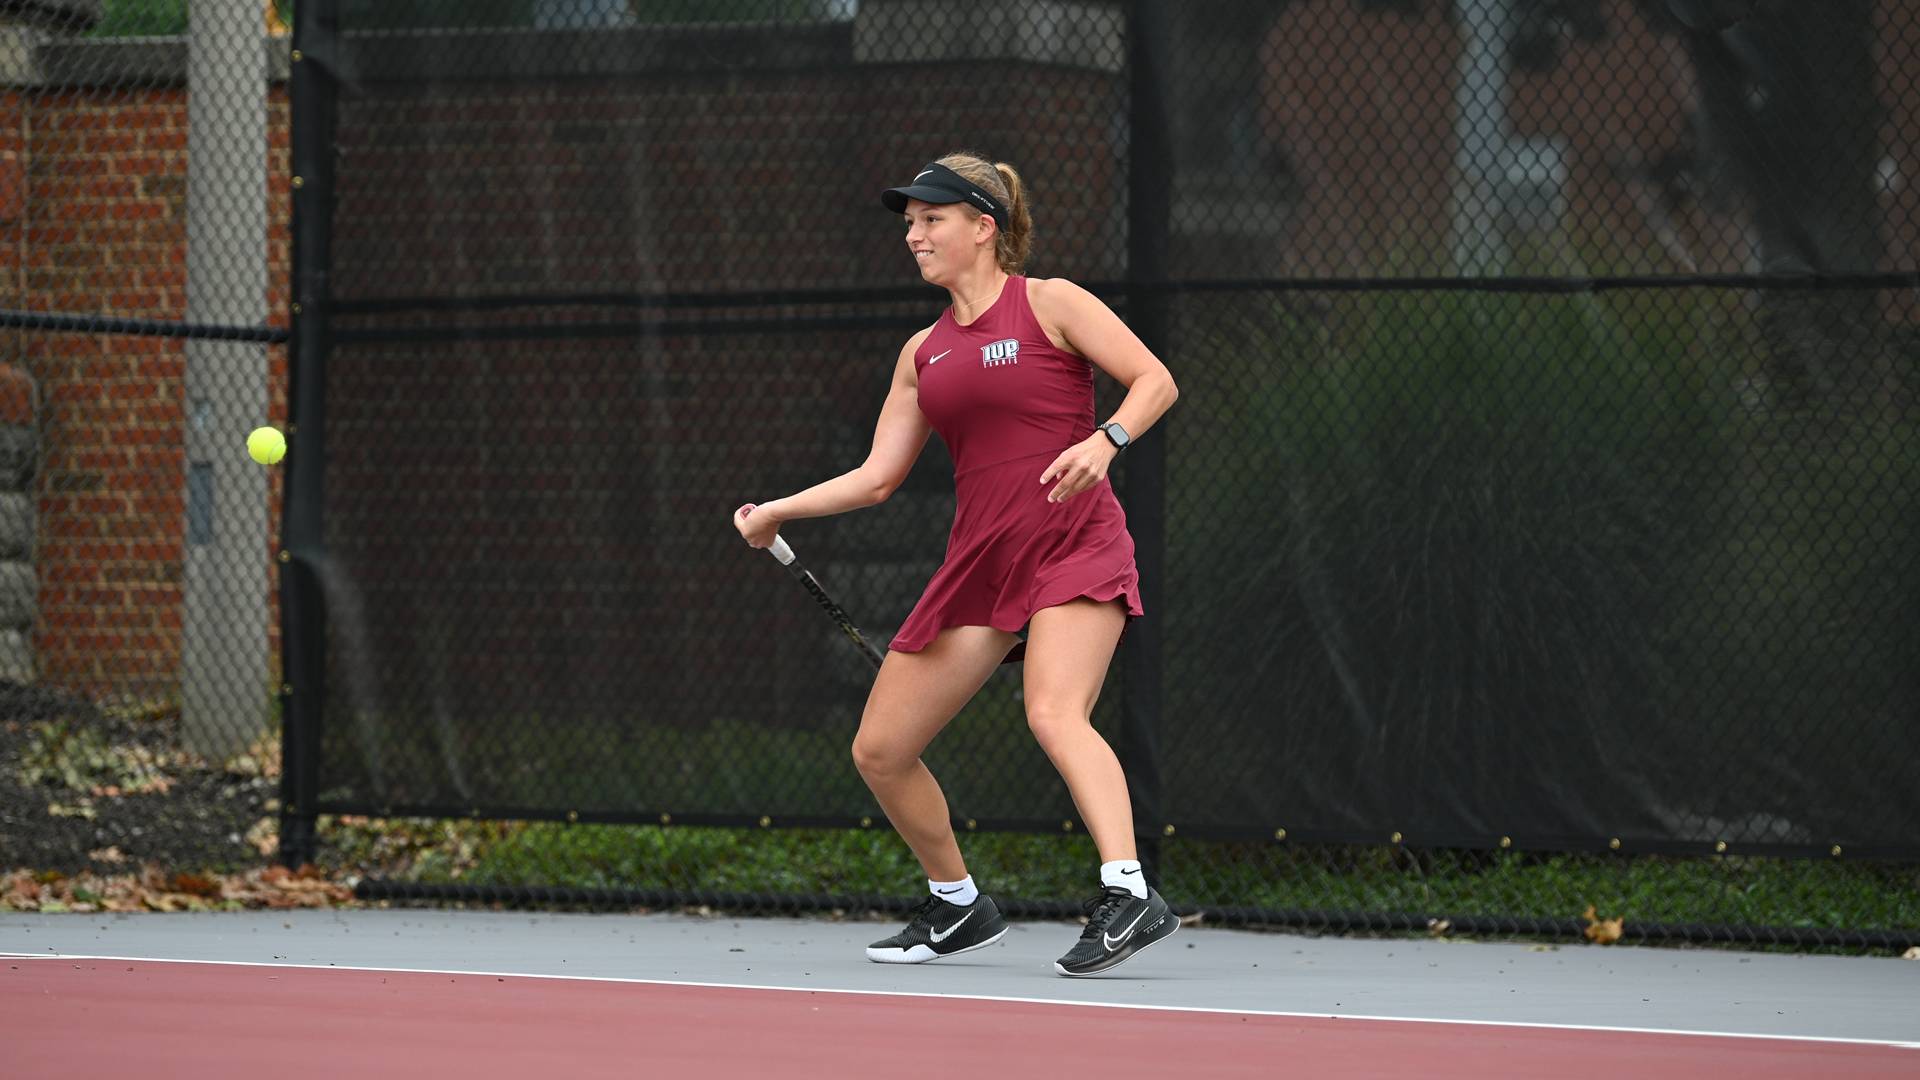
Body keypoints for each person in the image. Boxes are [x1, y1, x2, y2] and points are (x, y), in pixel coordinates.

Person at [733, 152, 1179, 977]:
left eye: (932, 218)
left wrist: (1105, 440)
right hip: (982, 564)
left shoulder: (1051, 304)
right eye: (909, 221)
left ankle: (1130, 892)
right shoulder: (922, 353)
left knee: (1052, 711)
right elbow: (876, 478)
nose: (914, 234)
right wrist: (778, 512)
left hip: (1075, 542)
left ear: (986, 227)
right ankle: (957, 904)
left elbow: (1155, 380)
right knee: (881, 749)